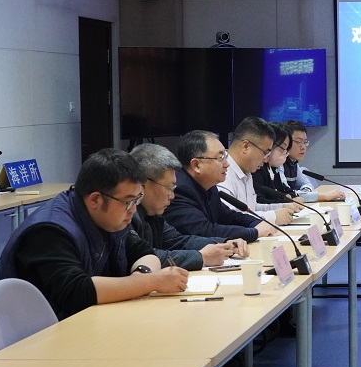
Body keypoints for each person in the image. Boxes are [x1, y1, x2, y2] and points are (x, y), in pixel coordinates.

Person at [0, 148, 189, 319]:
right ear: (95, 199)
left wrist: (142, 276)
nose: (134, 209)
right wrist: (149, 282)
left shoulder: (109, 217)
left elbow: (143, 252)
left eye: (138, 200)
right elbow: (77, 291)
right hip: (33, 339)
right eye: (129, 202)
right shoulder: (48, 231)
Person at [129, 143, 245, 271]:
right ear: (143, 185)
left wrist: (224, 243)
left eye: (173, 188)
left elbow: (178, 241)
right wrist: (201, 257)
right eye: (168, 188)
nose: (172, 196)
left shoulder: (153, 214)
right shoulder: (128, 216)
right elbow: (145, 257)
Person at [163, 130, 278, 241]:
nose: (227, 164)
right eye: (221, 158)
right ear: (196, 165)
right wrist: (253, 232)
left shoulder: (209, 186)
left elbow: (228, 216)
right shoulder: (179, 190)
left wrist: (256, 223)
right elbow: (204, 231)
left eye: (225, 157)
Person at [218, 116, 301, 225]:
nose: (266, 159)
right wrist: (273, 216)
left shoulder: (246, 170)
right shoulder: (222, 172)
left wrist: (281, 206)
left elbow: (251, 208)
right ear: (245, 146)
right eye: (265, 152)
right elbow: (231, 218)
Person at [282, 120, 344, 203]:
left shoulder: (293, 163)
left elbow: (307, 184)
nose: (303, 147)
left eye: (305, 142)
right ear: (286, 142)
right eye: (299, 142)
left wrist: (306, 193)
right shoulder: (279, 165)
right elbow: (287, 195)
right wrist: (323, 196)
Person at [254, 122, 296, 204]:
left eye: (286, 150)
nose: (284, 153)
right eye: (282, 148)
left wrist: (292, 198)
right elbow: (259, 200)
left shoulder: (273, 169)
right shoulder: (258, 168)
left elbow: (284, 190)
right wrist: (285, 203)